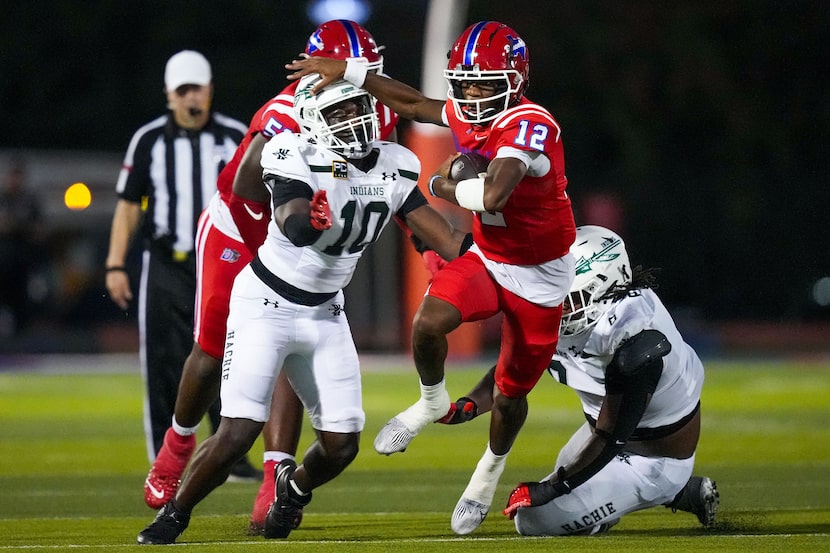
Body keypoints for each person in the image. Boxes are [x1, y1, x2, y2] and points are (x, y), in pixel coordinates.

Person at [136, 74, 472, 545]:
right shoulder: (294, 152)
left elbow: (446, 238)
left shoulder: (395, 165)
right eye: (338, 114)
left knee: (342, 445)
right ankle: (174, 515)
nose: (353, 120)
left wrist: (503, 257)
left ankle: (291, 490)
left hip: (326, 313)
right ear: (314, 123)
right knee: (237, 434)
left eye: (358, 109)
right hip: (265, 307)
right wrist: (307, 222)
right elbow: (289, 217)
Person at [286, 20, 577, 534]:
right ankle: (430, 401)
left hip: (543, 279)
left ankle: (487, 475)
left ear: (515, 79)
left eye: (484, 83)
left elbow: (492, 196)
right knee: (428, 322)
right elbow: (416, 106)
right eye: (464, 83)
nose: (472, 94)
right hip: (490, 260)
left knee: (509, 396)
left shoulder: (531, 122)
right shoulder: (468, 113)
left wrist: (444, 184)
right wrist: (352, 73)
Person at [441, 226, 719, 535]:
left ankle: (668, 488)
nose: (556, 305)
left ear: (605, 288)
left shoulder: (635, 339)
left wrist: (550, 489)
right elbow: (517, 367)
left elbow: (610, 437)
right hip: (604, 431)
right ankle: (680, 494)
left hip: (650, 459)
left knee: (533, 520)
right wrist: (468, 405)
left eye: (568, 297)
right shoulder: (577, 311)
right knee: (564, 476)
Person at [104, 50, 261, 481]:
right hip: (167, 265)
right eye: (183, 90)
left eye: (198, 88)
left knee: (230, 357)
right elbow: (128, 204)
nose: (192, 98)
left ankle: (230, 453)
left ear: (211, 89)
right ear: (169, 95)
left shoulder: (235, 135)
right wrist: (116, 264)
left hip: (224, 263)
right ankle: (164, 458)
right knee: (163, 362)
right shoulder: (150, 139)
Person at [0, 160, 43, 338]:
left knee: (22, 303)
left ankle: (21, 341)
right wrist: (22, 227)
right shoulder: (2, 199)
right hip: (3, 262)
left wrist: (15, 226)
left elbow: (39, 231)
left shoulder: (30, 201)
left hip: (23, 264)